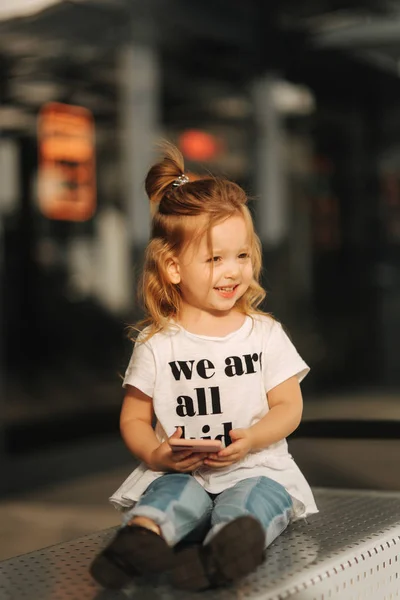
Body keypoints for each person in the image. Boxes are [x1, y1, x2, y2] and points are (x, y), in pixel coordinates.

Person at [90, 143, 318, 592]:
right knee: (169, 498)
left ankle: (226, 553)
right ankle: (139, 542)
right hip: (183, 472)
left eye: (242, 255)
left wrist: (252, 438)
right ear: (173, 267)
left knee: (253, 503)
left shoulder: (264, 333)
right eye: (215, 259)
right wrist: (157, 456)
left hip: (256, 467)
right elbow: (135, 417)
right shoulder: (157, 344)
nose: (232, 271)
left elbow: (289, 406)